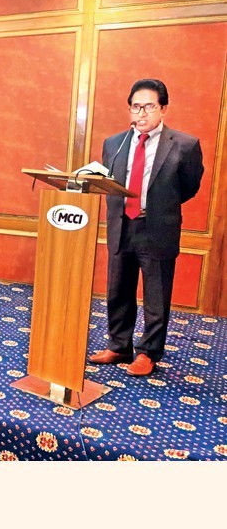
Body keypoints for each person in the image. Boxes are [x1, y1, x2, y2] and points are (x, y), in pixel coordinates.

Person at [89, 78, 204, 377]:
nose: (141, 114)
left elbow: (189, 187)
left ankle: (148, 352)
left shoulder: (185, 145)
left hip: (156, 227)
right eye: (135, 107)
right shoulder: (114, 143)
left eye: (149, 106)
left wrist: (158, 205)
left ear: (163, 109)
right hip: (121, 225)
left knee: (156, 294)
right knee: (118, 289)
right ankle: (119, 344)